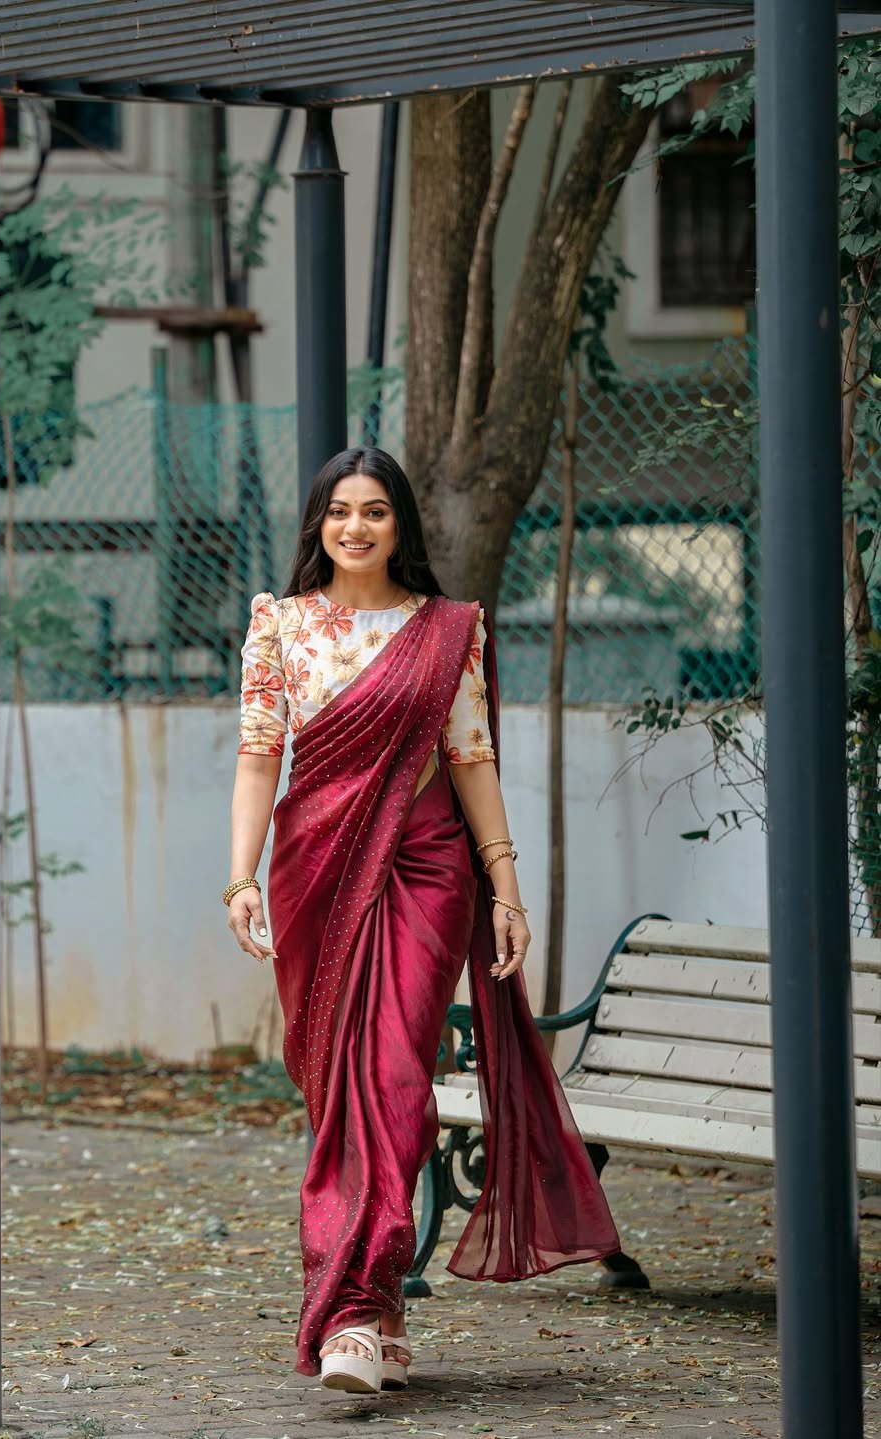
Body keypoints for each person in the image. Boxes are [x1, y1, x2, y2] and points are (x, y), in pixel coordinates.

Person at [226, 447, 619, 1394]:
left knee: (397, 1074)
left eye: (374, 511)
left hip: (427, 867)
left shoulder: (447, 629)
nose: (354, 527)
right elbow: (257, 756)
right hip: (316, 869)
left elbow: (471, 756)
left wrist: (506, 885)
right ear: (317, 523)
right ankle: (376, 1308)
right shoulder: (279, 625)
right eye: (337, 511)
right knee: (338, 1090)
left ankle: (354, 1312)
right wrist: (240, 878)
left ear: (402, 524)